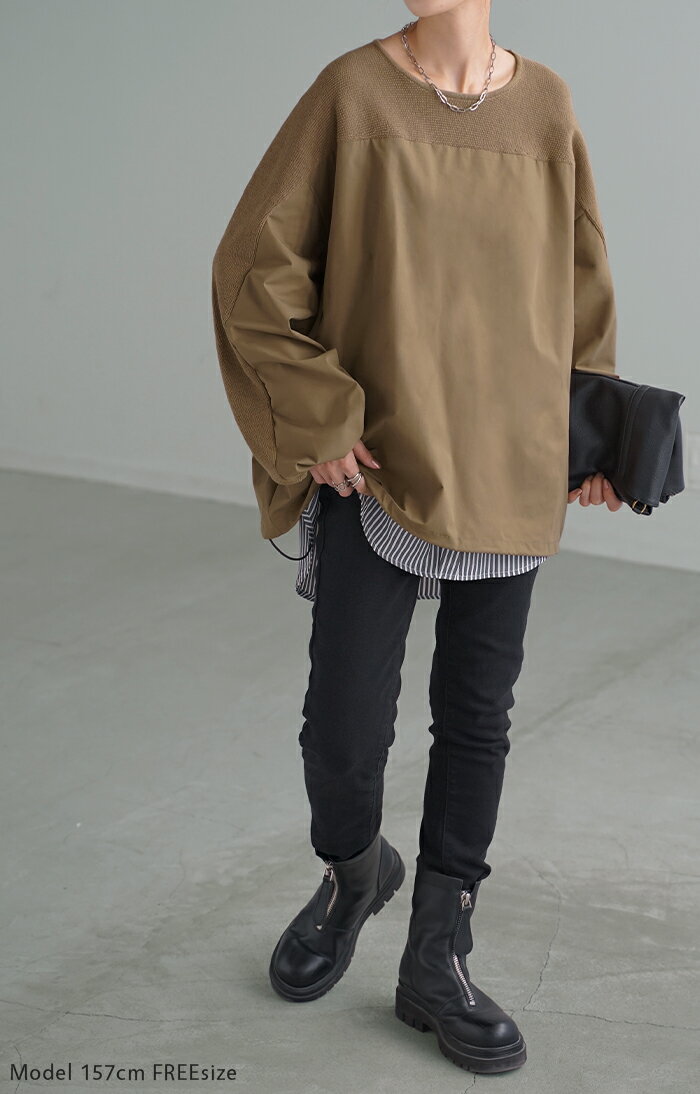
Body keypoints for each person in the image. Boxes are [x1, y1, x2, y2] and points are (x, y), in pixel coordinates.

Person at [211, 0, 622, 1075]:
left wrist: (591, 432)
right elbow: (254, 266)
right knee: (342, 730)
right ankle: (356, 872)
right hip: (381, 459)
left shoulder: (545, 105)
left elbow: (579, 281)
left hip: (509, 453)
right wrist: (318, 418)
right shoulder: (352, 93)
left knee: (476, 719)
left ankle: (438, 955)